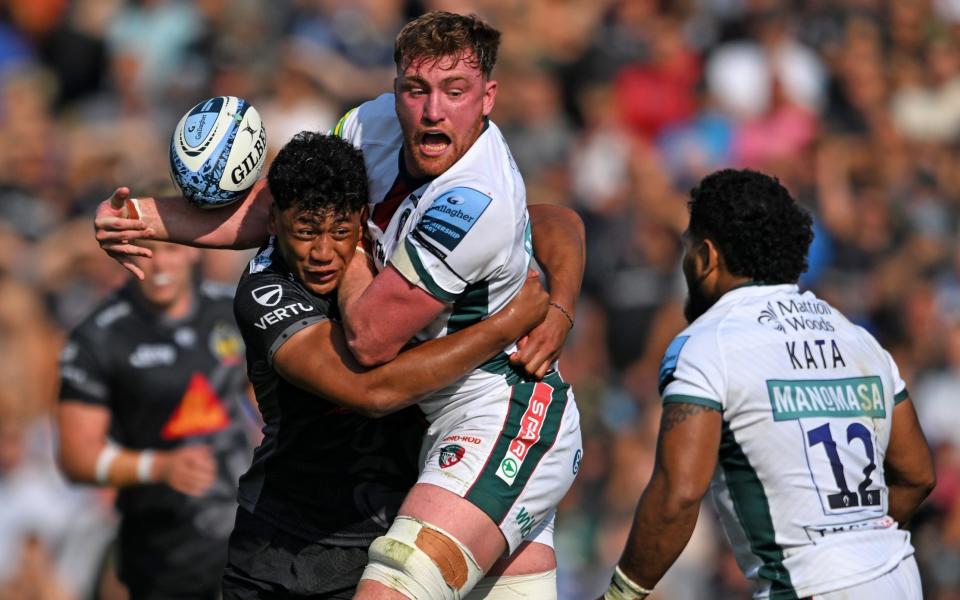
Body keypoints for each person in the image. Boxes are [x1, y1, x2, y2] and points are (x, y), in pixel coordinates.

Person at [94, 11, 586, 599]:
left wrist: (555, 307)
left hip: (500, 416)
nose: (432, 110)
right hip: (407, 441)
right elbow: (293, 208)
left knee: (396, 582)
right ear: (396, 87)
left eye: (454, 92)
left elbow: (371, 340)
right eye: (415, 89)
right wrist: (141, 218)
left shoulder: (475, 200)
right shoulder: (365, 132)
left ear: (488, 97)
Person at [221, 130, 549, 599]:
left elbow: (556, 221)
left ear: (360, 220)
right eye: (305, 231)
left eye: (339, 231)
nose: (321, 253)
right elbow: (372, 393)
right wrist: (504, 325)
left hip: (383, 552)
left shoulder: (396, 247)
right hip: (277, 550)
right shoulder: (266, 291)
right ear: (273, 221)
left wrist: (560, 309)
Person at [600, 169, 936, 600]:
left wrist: (619, 595)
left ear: (706, 256)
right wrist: (858, 545)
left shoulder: (706, 344)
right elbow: (917, 474)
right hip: (899, 578)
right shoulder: (858, 340)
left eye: (687, 250)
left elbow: (678, 496)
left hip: (812, 586)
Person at [57, 239, 256, 600]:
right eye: (143, 252)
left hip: (249, 534)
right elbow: (76, 458)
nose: (159, 264)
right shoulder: (98, 337)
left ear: (194, 249)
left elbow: (263, 403)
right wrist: (157, 466)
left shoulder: (234, 310)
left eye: (171, 250)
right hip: (163, 551)